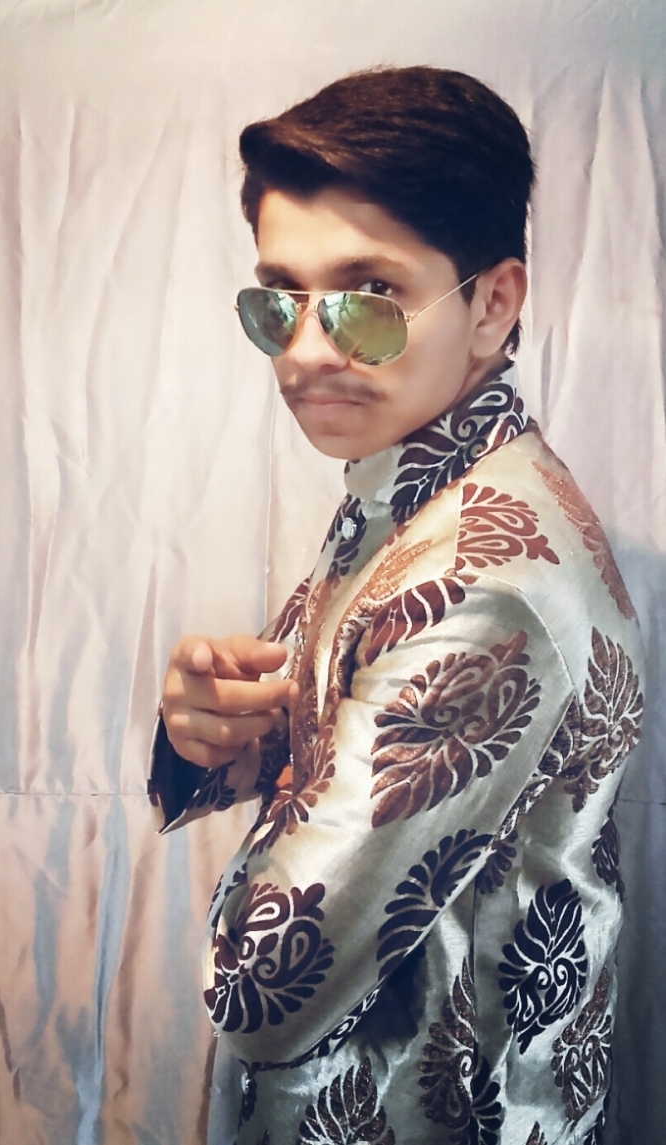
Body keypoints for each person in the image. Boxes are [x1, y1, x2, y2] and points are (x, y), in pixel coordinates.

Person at [148, 67, 644, 1145]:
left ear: (492, 303)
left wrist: (283, 804)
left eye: (368, 296)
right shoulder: (426, 483)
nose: (304, 352)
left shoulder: (482, 580)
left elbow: (262, 985)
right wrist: (206, 728)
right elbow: (318, 716)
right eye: (277, 301)